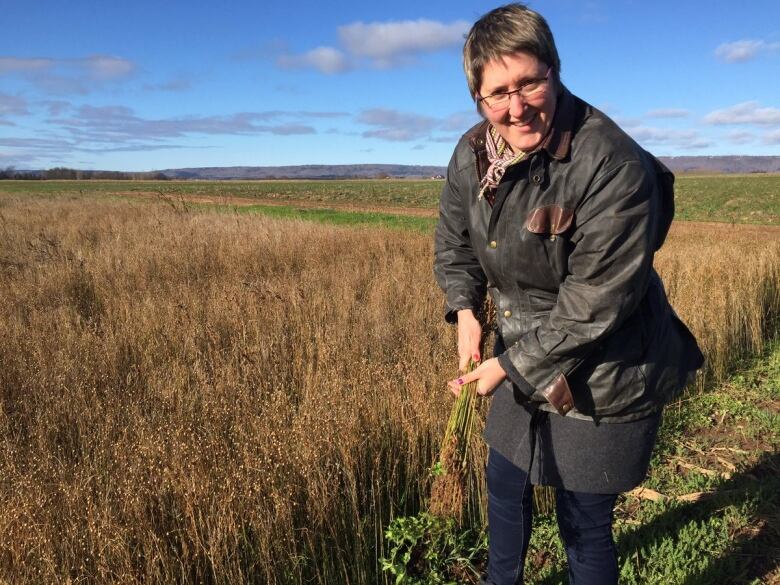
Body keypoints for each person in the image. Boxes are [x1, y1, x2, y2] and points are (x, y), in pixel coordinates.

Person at [433, 4, 704, 584]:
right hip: (514, 353)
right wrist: (465, 312)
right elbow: (454, 241)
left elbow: (600, 299)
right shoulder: (472, 152)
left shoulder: (611, 163)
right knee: (505, 493)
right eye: (497, 92)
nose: (516, 106)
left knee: (583, 523)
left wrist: (508, 365)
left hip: (607, 369)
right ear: (477, 97)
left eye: (530, 82)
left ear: (554, 69)